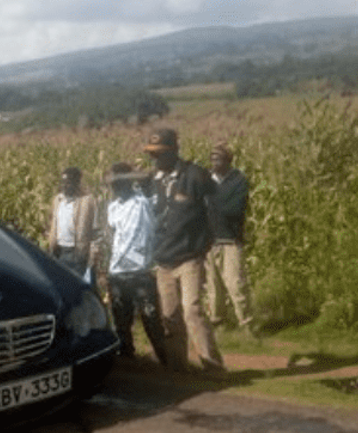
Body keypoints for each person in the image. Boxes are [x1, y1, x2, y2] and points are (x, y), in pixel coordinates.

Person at [145, 128, 224, 373]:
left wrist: (206, 243)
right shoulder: (152, 181)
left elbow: (216, 207)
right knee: (170, 316)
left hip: (190, 257)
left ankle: (212, 366)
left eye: (160, 154)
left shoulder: (195, 175)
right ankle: (179, 369)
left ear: (174, 152)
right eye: (153, 155)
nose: (156, 159)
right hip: (163, 260)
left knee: (192, 310)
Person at [103, 163, 167, 365]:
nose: (115, 188)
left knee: (151, 318)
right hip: (118, 272)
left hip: (141, 271)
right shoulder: (112, 207)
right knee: (122, 320)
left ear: (127, 182)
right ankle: (128, 358)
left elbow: (149, 183)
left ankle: (165, 359)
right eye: (113, 184)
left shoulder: (143, 200)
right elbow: (113, 234)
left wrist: (135, 175)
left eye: (119, 183)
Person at [205, 142, 255, 337]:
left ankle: (247, 324)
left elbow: (234, 209)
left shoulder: (238, 181)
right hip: (210, 240)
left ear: (228, 161)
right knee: (213, 287)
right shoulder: (206, 181)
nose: (214, 162)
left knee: (235, 284)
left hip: (230, 239)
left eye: (218, 158)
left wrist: (211, 203)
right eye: (212, 158)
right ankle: (218, 323)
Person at [47, 166, 99, 282]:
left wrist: (92, 258)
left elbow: (95, 232)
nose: (65, 186)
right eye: (63, 182)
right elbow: (53, 225)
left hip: (77, 254)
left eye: (69, 182)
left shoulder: (87, 202)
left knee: (75, 288)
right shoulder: (58, 200)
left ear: (77, 183)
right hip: (59, 252)